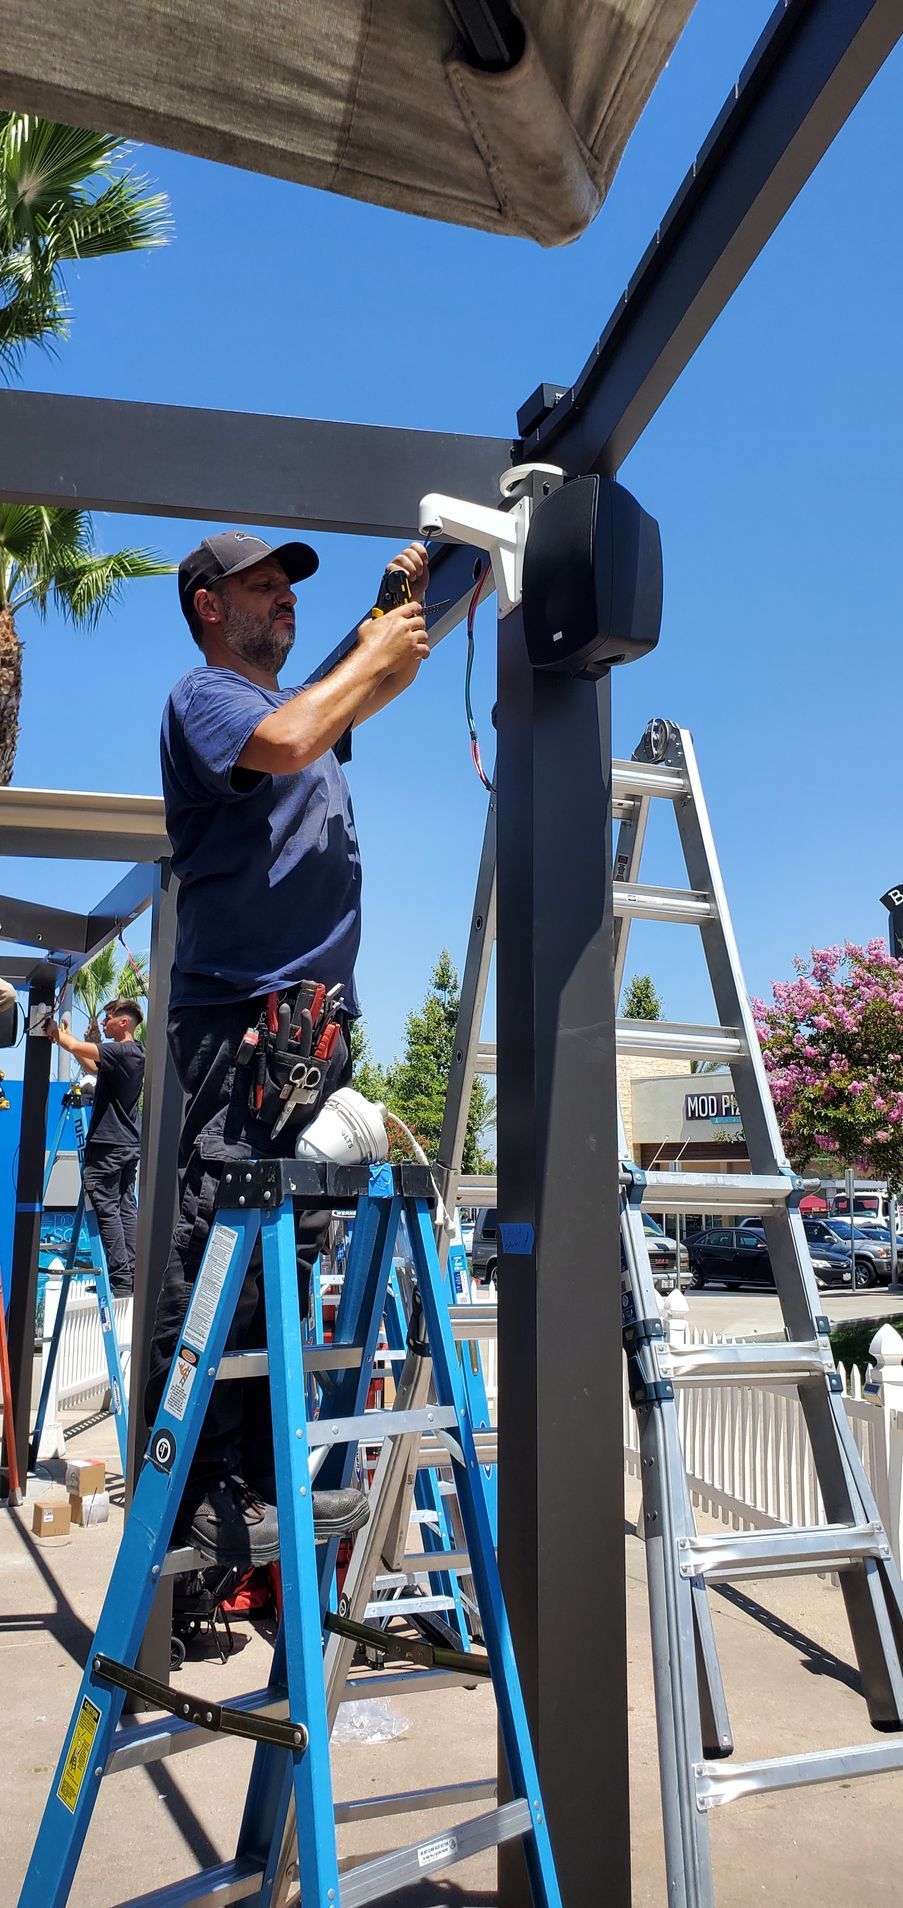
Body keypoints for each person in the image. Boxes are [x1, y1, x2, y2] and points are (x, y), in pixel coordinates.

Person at [146, 528, 430, 1566]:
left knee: (285, 1252)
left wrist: (421, 592)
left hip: (306, 1027)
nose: (282, 602)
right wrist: (372, 652)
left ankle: (258, 1484)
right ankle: (203, 1492)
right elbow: (298, 735)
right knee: (222, 1239)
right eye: (261, 588)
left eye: (286, 590)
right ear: (210, 607)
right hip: (240, 1019)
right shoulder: (208, 699)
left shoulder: (293, 705)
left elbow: (354, 696)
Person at [46, 998, 145, 1294]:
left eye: (109, 1018)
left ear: (124, 1022)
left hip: (108, 1145)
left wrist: (56, 1033)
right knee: (126, 1207)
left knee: (107, 1208)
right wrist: (68, 1040)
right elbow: (90, 1063)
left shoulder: (121, 1050)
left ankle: (121, 1281)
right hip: (126, 1144)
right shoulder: (136, 1053)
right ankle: (133, 1276)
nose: (104, 1023)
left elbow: (78, 1048)